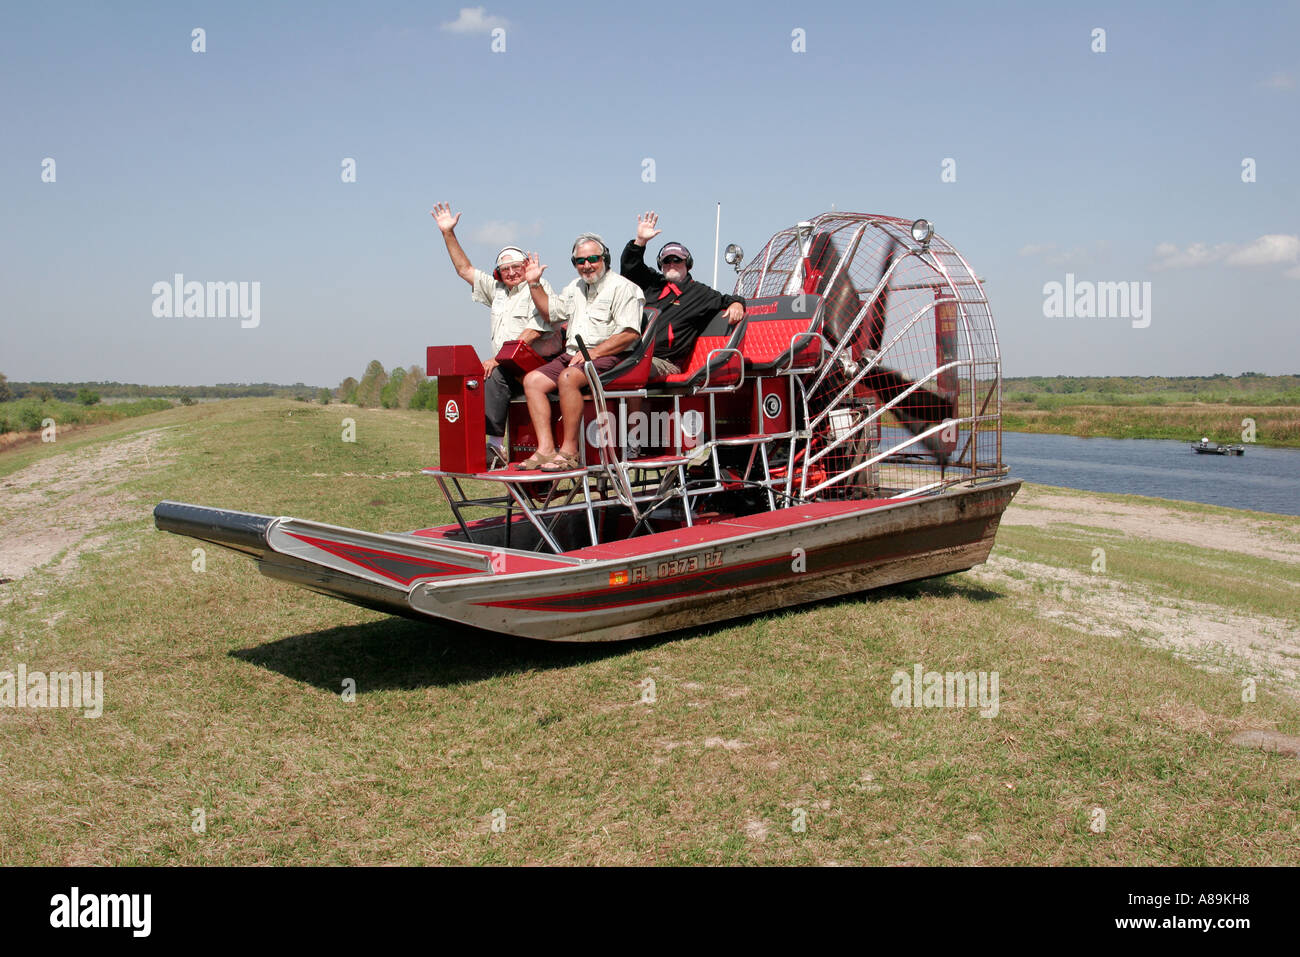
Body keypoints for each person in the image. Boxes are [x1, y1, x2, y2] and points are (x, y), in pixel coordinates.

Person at [431, 201, 557, 469]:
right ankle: (470, 445)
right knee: (477, 377)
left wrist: (499, 359)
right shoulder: (498, 290)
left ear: (526, 266)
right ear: (499, 273)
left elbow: (533, 331)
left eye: (517, 267)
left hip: (536, 364)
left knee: (494, 373)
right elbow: (465, 270)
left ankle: (496, 446)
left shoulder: (537, 286)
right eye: (505, 268)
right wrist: (448, 233)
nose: (512, 272)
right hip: (510, 365)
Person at [515, 233, 646, 472]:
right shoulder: (574, 288)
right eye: (580, 261)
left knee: (568, 378)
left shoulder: (624, 288)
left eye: (593, 258)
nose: (587, 265)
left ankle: (569, 451)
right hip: (577, 354)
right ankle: (546, 450)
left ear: (605, 258)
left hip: (613, 355)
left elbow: (629, 334)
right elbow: (550, 313)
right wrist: (533, 283)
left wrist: (593, 353)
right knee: (532, 380)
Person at [620, 211, 745, 379]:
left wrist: (737, 304)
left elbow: (728, 299)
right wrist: (640, 241)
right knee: (603, 364)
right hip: (635, 353)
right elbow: (630, 268)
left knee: (629, 368)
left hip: (665, 362)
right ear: (661, 265)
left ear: (688, 264)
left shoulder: (699, 293)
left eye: (677, 260)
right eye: (666, 261)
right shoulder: (652, 283)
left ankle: (633, 407)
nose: (671, 264)